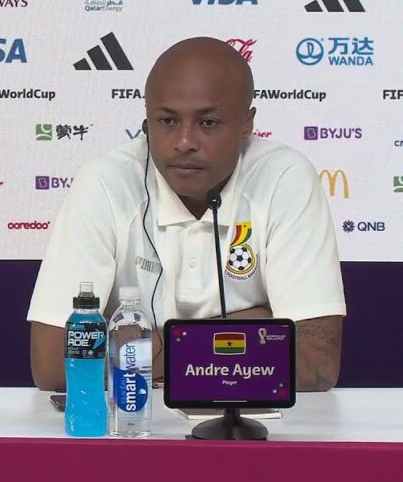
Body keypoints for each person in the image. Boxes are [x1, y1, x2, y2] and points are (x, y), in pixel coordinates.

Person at [28, 37, 346, 392]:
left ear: (247, 123)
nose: (184, 142)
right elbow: (53, 363)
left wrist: (137, 346)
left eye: (208, 123)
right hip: (135, 415)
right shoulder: (106, 181)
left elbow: (316, 363)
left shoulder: (284, 177)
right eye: (167, 121)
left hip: (251, 419)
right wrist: (251, 329)